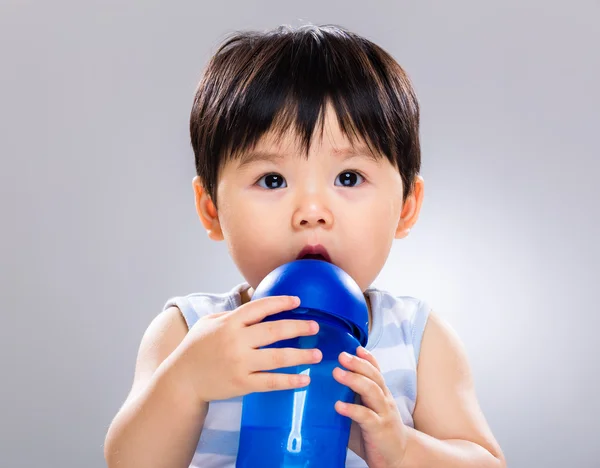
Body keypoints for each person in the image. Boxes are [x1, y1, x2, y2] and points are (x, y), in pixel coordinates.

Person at [104, 24, 506, 468]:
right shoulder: (189, 331)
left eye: (348, 178)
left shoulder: (416, 339)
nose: (311, 210)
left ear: (407, 207)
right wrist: (186, 381)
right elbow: (128, 462)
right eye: (272, 180)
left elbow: (484, 462)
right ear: (211, 209)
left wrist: (404, 448)